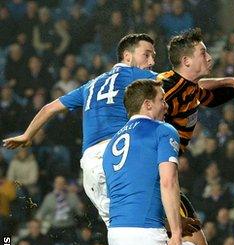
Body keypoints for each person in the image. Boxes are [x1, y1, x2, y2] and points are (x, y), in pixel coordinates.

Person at [3, 33, 158, 227]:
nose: (152, 61)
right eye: (147, 55)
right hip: (119, 154)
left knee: (119, 228)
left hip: (90, 163)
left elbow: (48, 108)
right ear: (127, 56)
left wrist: (27, 135)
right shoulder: (138, 76)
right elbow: (181, 82)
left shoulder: (90, 85)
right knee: (146, 223)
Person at [103, 79, 206, 245]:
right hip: (145, 237)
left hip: (115, 236)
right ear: (148, 105)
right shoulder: (163, 130)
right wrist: (175, 233)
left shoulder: (111, 145)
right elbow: (168, 182)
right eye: (162, 100)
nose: (166, 106)